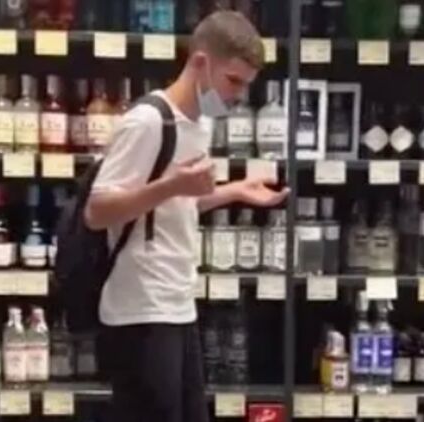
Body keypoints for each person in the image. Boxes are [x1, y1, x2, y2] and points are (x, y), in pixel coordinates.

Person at [84, 10, 289, 422]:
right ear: (200, 62)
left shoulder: (197, 124)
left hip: (178, 304)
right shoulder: (147, 121)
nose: (237, 96)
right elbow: (97, 211)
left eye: (246, 85)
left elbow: (172, 206)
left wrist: (234, 191)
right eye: (233, 81)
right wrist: (172, 186)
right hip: (141, 309)